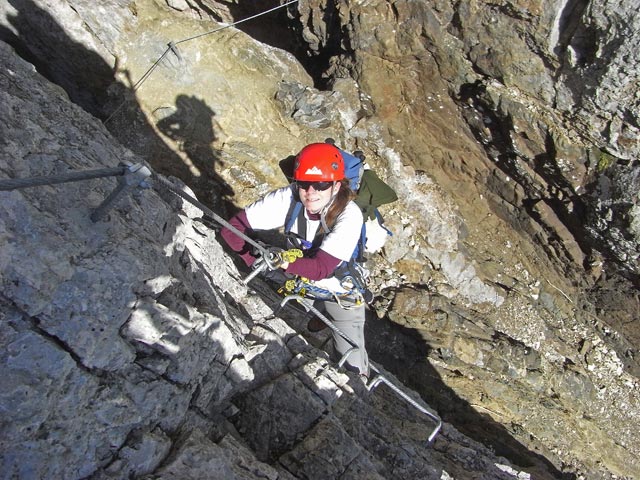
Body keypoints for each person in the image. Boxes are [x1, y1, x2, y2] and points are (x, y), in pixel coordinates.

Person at [220, 143, 369, 377]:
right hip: (298, 280)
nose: (311, 192)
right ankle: (317, 318)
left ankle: (356, 386)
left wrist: (279, 261)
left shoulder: (350, 216)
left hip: (339, 292)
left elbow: (321, 268)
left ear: (336, 185)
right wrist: (252, 258)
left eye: (320, 184)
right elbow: (233, 229)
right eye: (304, 184)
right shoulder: (289, 198)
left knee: (353, 366)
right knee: (312, 317)